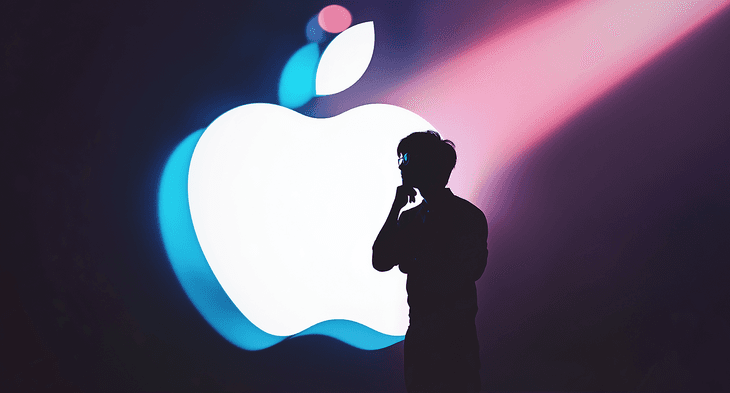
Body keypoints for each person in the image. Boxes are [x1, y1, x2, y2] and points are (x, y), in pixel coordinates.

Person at [372, 131, 488, 393]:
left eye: (406, 157)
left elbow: (467, 271)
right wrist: (396, 207)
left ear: (427, 164)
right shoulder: (410, 219)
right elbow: (380, 260)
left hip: (455, 341)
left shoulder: (467, 217)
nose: (401, 165)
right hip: (421, 339)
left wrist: (416, 258)